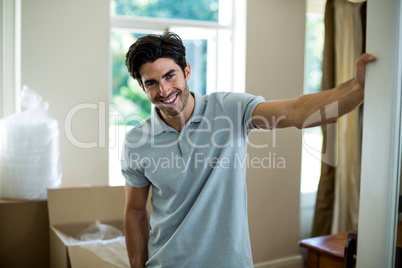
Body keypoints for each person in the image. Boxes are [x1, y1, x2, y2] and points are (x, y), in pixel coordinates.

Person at [121, 32, 376, 268]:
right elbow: (134, 212)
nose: (164, 91)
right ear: (143, 87)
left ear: (186, 71)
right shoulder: (137, 141)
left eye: (170, 76)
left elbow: (296, 112)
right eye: (152, 83)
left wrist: (358, 88)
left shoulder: (230, 108)